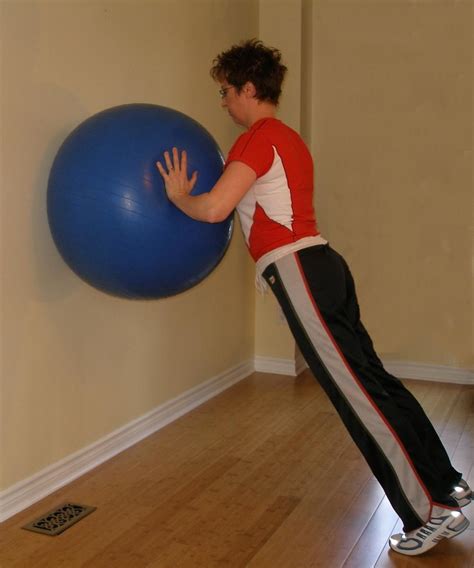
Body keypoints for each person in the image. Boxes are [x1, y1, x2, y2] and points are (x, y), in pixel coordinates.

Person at [156, 39, 471, 556]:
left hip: (299, 268)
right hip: (323, 265)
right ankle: (445, 481)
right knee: (375, 382)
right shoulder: (287, 138)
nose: (223, 102)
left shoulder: (257, 138)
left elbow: (214, 209)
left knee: (358, 396)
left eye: (226, 91)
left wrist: (176, 197)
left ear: (249, 89)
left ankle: (430, 512)